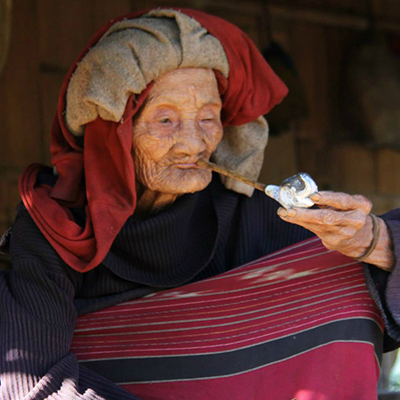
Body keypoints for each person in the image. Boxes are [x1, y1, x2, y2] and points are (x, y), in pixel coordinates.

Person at [0, 7, 399, 400]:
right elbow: (34, 382)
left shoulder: (247, 211)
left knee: (346, 271)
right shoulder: (55, 227)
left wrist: (374, 240)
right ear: (114, 133)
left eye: (208, 119)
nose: (195, 143)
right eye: (166, 120)